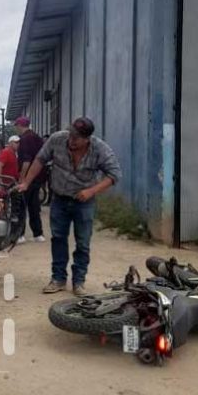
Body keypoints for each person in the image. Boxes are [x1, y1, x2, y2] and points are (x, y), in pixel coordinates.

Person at [17, 117, 121, 296]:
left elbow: (115, 174)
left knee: (83, 242)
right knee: (58, 238)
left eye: (76, 138)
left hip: (84, 203)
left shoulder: (100, 148)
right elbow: (39, 160)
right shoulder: (57, 139)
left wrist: (91, 191)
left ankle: (79, 281)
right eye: (71, 135)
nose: (71, 140)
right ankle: (58, 279)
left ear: (87, 139)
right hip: (60, 199)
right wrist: (26, 182)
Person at [15, 116, 46, 244]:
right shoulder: (37, 137)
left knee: (21, 206)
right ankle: (38, 234)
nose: (16, 128)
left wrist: (22, 179)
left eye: (16, 125)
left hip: (28, 178)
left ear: (20, 125)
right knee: (34, 206)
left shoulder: (25, 139)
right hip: (38, 177)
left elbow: (26, 161)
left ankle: (20, 235)